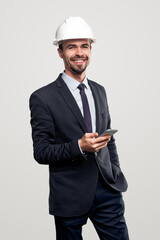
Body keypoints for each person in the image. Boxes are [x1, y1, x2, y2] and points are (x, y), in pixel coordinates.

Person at [29, 16, 129, 240]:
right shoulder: (42, 98)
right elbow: (41, 151)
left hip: (107, 189)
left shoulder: (100, 91)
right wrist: (79, 146)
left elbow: (108, 139)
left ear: (91, 49)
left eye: (84, 46)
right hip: (69, 195)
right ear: (60, 52)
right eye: (71, 47)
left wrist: (114, 171)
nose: (79, 52)